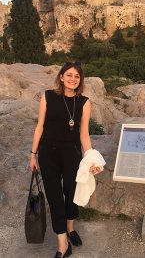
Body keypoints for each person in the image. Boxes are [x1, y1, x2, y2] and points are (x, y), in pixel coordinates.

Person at [29, 61, 100, 258]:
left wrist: (91, 159)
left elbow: (84, 135)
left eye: (77, 76)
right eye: (69, 75)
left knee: (70, 193)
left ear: (80, 80)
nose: (73, 79)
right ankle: (63, 244)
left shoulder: (84, 103)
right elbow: (40, 127)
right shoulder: (48, 97)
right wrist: (33, 154)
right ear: (61, 77)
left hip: (72, 155)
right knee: (54, 197)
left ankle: (70, 229)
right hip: (48, 154)